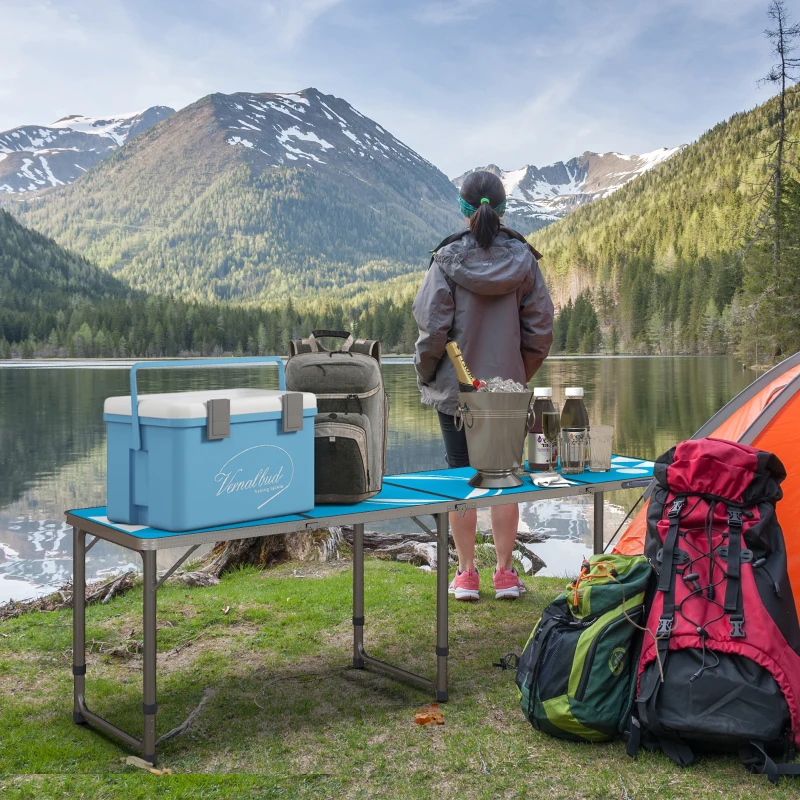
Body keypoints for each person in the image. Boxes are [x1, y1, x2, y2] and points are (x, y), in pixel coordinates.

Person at [412, 170, 554, 601]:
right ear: (502, 207)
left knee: (463, 480)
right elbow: (541, 330)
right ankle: (507, 575)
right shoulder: (524, 260)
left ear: (463, 208)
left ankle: (467, 575)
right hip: (506, 392)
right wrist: (514, 375)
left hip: (457, 392)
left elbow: (432, 329)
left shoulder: (447, 260)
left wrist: (427, 371)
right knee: (505, 478)